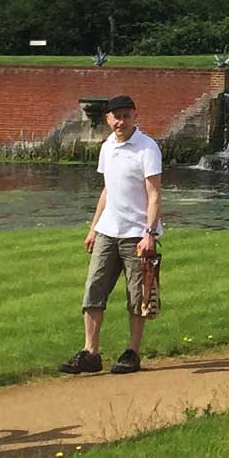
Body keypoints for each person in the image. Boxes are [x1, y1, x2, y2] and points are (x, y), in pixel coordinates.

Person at [63, 94, 161, 377]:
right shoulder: (108, 147)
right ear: (107, 119)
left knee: (138, 295)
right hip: (108, 230)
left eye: (126, 116)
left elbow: (154, 193)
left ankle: (132, 352)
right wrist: (94, 227)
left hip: (136, 233)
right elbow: (107, 190)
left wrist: (150, 234)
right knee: (94, 289)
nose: (121, 121)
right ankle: (90, 352)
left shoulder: (147, 148)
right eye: (115, 117)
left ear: (134, 115)